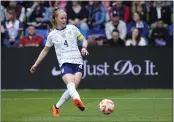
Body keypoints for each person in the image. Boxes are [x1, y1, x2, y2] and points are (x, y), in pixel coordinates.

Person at [30, 8, 89, 117]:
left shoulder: (72, 28)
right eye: (62, 18)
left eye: (65, 17)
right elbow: (45, 51)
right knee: (71, 84)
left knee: (72, 88)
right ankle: (77, 100)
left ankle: (56, 107)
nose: (64, 20)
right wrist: (35, 64)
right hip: (65, 62)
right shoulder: (52, 35)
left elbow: (84, 40)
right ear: (56, 19)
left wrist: (84, 47)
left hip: (77, 60)